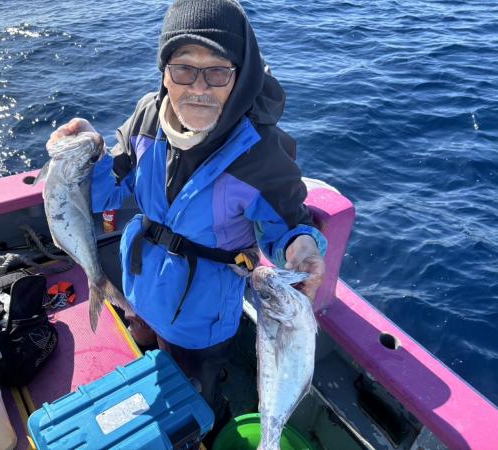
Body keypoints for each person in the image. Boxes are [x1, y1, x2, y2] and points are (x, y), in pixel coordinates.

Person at [47, 0, 327, 439]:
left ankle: (209, 426)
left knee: (197, 394)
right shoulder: (147, 116)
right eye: (183, 69)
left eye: (217, 71)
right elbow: (110, 191)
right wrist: (89, 154)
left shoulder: (261, 155)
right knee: (147, 347)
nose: (198, 87)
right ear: (164, 72)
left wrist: (303, 247)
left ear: (240, 76)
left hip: (201, 315)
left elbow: (289, 226)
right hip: (140, 283)